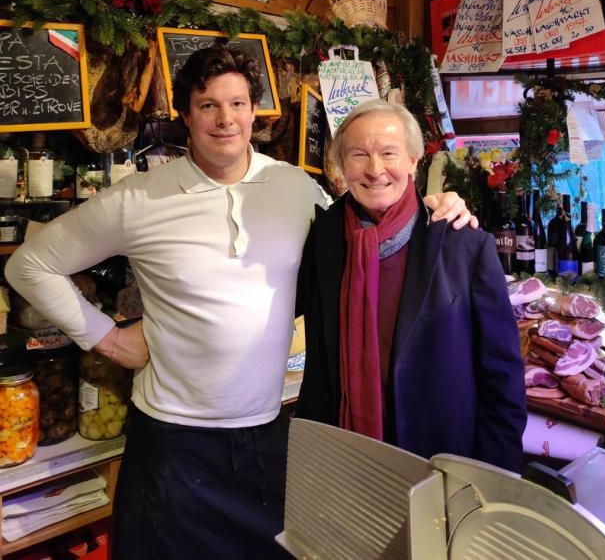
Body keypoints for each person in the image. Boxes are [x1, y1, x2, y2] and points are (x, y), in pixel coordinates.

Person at [6, 44, 476, 559]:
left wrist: (436, 203)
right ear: (185, 115)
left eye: (237, 104)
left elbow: (372, 227)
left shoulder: (297, 188)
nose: (225, 119)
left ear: (255, 111)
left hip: (266, 438)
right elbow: (28, 265)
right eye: (207, 105)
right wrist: (108, 339)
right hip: (170, 444)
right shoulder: (137, 198)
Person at [294, 99, 527, 473]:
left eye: (389, 153)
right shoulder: (325, 237)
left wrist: (494, 478)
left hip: (442, 461)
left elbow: (503, 380)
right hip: (343, 460)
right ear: (341, 166)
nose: (375, 170)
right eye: (358, 155)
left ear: (413, 162)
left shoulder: (462, 244)